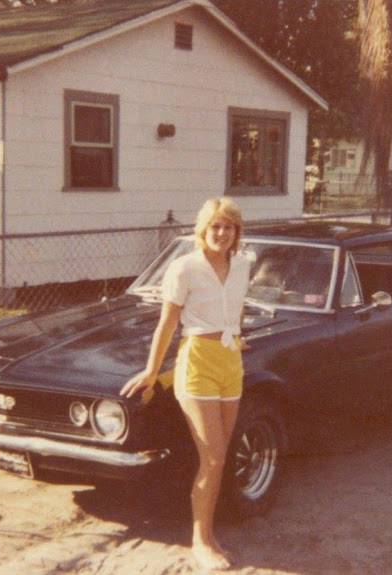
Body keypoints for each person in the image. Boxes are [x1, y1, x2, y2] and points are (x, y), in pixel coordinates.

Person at [120, 197, 250, 571]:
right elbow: (167, 323)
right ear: (203, 230)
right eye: (216, 227)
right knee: (212, 457)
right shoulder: (184, 268)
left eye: (229, 227)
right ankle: (202, 541)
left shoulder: (242, 264)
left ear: (237, 232)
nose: (222, 233)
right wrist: (150, 371)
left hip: (231, 362)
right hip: (197, 364)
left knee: (221, 455)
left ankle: (208, 528)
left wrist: (237, 335)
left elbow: (236, 306)